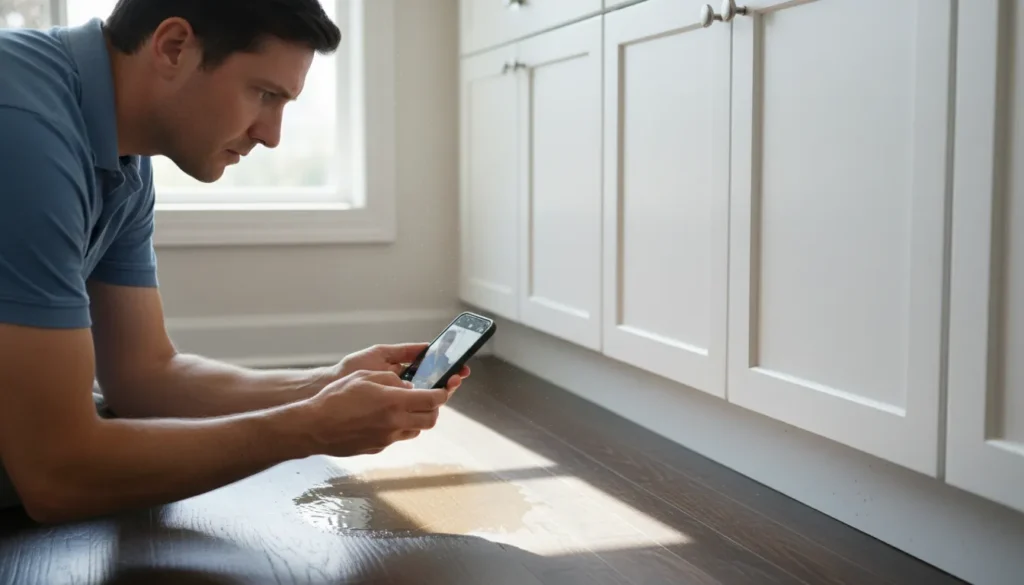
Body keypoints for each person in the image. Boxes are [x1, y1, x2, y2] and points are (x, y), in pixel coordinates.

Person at [0, 0, 469, 524]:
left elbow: (144, 378)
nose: (271, 135)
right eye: (265, 94)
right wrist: (307, 427)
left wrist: (325, 384)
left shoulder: (125, 160)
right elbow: (57, 473)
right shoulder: (24, 129)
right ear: (173, 47)